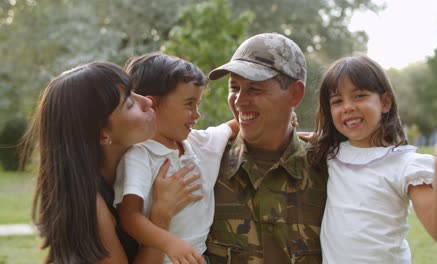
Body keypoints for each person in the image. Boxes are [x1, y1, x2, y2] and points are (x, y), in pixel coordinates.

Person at [21, 61, 201, 264]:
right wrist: (161, 215)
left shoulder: (138, 166)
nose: (148, 101)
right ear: (102, 135)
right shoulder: (92, 206)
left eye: (134, 91)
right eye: (130, 103)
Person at [309, 54, 437, 263]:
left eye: (359, 96)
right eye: (337, 101)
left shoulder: (405, 166)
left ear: (385, 102)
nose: (347, 106)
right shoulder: (330, 153)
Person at [204, 32, 328, 264]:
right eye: (234, 87)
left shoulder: (328, 170)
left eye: (255, 89)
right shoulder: (207, 166)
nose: (240, 101)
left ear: (295, 93)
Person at [114, 52, 239, 264]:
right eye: (189, 104)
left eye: (198, 104)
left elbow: (234, 127)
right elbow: (130, 217)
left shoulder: (198, 143)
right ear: (152, 105)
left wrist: (292, 128)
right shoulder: (140, 156)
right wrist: (169, 243)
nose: (196, 114)